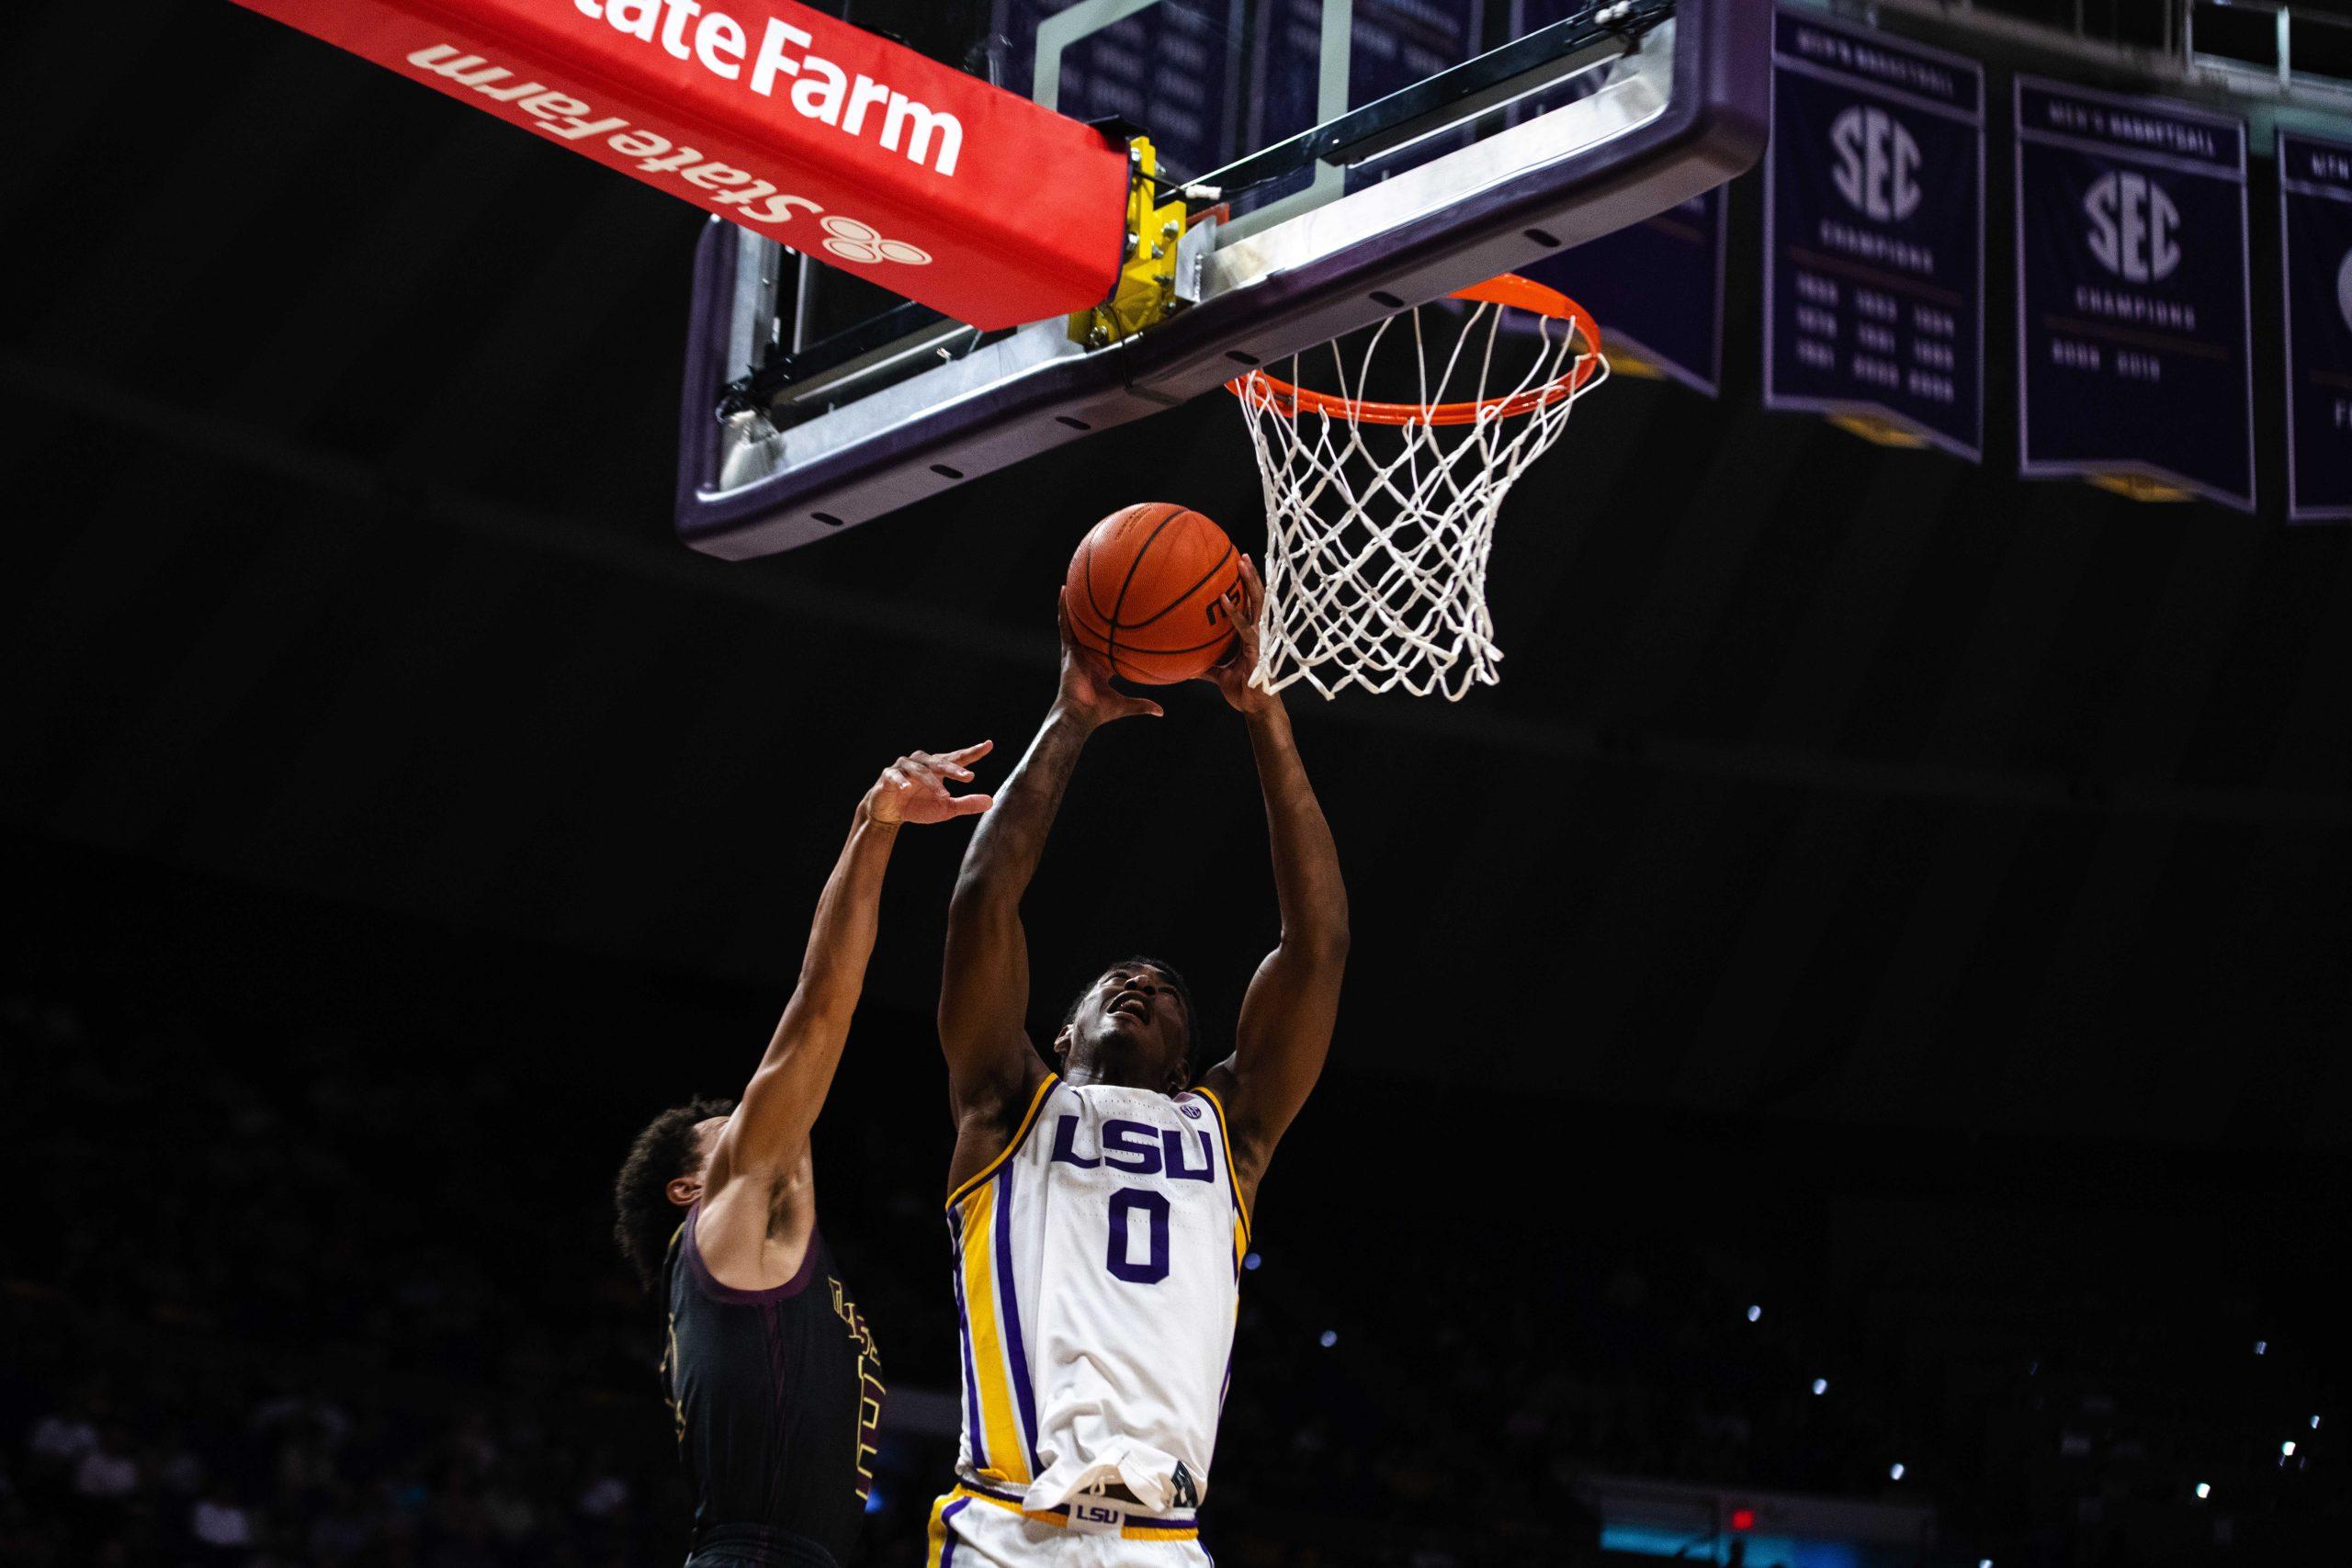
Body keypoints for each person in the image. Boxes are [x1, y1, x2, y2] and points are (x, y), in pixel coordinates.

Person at [927, 557, 1348, 1562]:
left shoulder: (1226, 1130)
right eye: (1117, 979)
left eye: (1165, 993)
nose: (1142, 987)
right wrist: (1070, 717)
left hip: (1165, 1542)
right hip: (1010, 1527)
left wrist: (1267, 721)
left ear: (1185, 1062)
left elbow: (1317, 947)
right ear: (1058, 1035)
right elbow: (985, 905)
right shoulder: (1006, 1104)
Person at [614, 744, 995, 1568]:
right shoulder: (727, 1219)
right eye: (731, 1123)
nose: (756, 1118)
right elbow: (821, 1004)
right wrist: (874, 824)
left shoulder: (769, 1275)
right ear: (690, 1189)